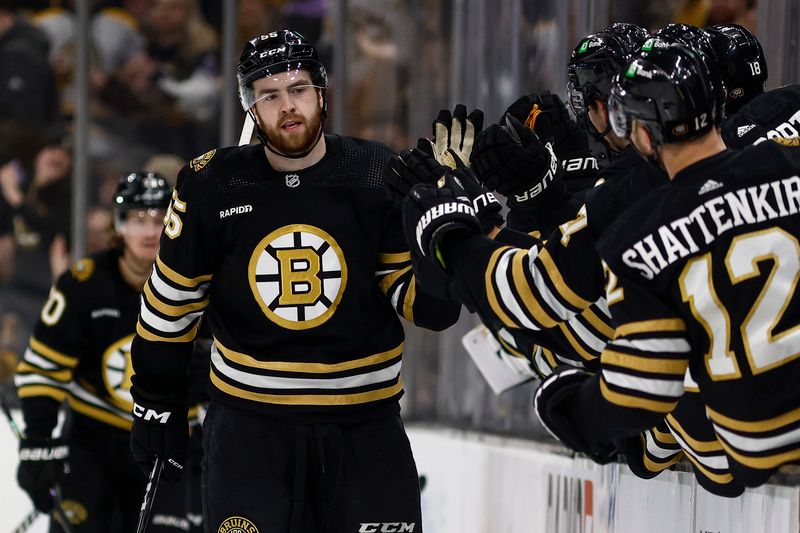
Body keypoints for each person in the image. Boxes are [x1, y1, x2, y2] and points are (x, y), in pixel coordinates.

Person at [129, 29, 460, 532]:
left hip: (365, 430)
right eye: (270, 95)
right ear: (251, 108)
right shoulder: (212, 183)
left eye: (299, 89)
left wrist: (443, 235)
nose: (288, 106)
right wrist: (155, 400)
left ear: (322, 93)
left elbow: (426, 309)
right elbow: (170, 305)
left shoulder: (376, 174)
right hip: (249, 436)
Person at [529, 43, 800, 492]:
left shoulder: (633, 235)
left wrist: (576, 413)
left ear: (644, 135)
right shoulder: (790, 166)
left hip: (753, 454)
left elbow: (641, 388)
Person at [14, 172, 196, 531]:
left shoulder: (201, 286)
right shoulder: (83, 285)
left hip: (168, 443)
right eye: (137, 219)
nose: (148, 231)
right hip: (91, 443)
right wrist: (37, 441)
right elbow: (42, 370)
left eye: (160, 219)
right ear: (119, 225)